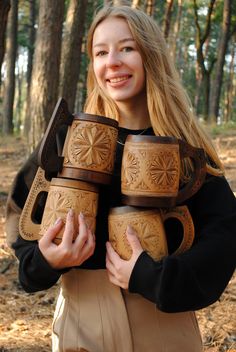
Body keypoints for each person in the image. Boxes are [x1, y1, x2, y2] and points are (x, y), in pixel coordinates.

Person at [6, 4, 236, 352]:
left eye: (126, 48)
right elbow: (23, 220)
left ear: (151, 56)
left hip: (164, 328)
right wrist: (45, 261)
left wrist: (153, 277)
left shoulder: (184, 149)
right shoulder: (69, 140)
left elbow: (223, 240)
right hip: (80, 326)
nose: (112, 61)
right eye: (101, 52)